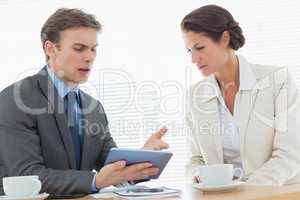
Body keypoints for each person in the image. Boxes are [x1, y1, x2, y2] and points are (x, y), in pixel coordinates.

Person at [0, 8, 169, 197]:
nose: (89, 57)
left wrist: (142, 158)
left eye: (93, 49)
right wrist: (95, 181)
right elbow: (26, 176)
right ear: (50, 49)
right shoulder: (16, 99)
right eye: (79, 48)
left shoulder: (93, 107)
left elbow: (111, 167)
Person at [181, 5, 300, 185]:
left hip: (277, 194)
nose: (193, 59)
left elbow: (290, 154)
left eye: (200, 47)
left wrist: (245, 192)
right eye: (189, 50)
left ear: (225, 38)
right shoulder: (195, 96)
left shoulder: (277, 81)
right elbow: (195, 160)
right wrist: (197, 176)